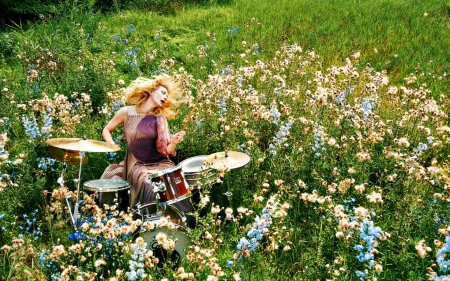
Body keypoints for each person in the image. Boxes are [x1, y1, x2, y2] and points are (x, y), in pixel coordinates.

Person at [101, 74, 193, 224]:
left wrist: (174, 142)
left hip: (161, 163)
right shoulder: (126, 112)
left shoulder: (160, 118)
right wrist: (112, 146)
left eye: (167, 95)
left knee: (175, 181)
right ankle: (149, 224)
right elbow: (106, 130)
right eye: (163, 92)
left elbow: (166, 151)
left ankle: (182, 224)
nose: (165, 97)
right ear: (151, 91)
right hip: (138, 165)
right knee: (151, 184)